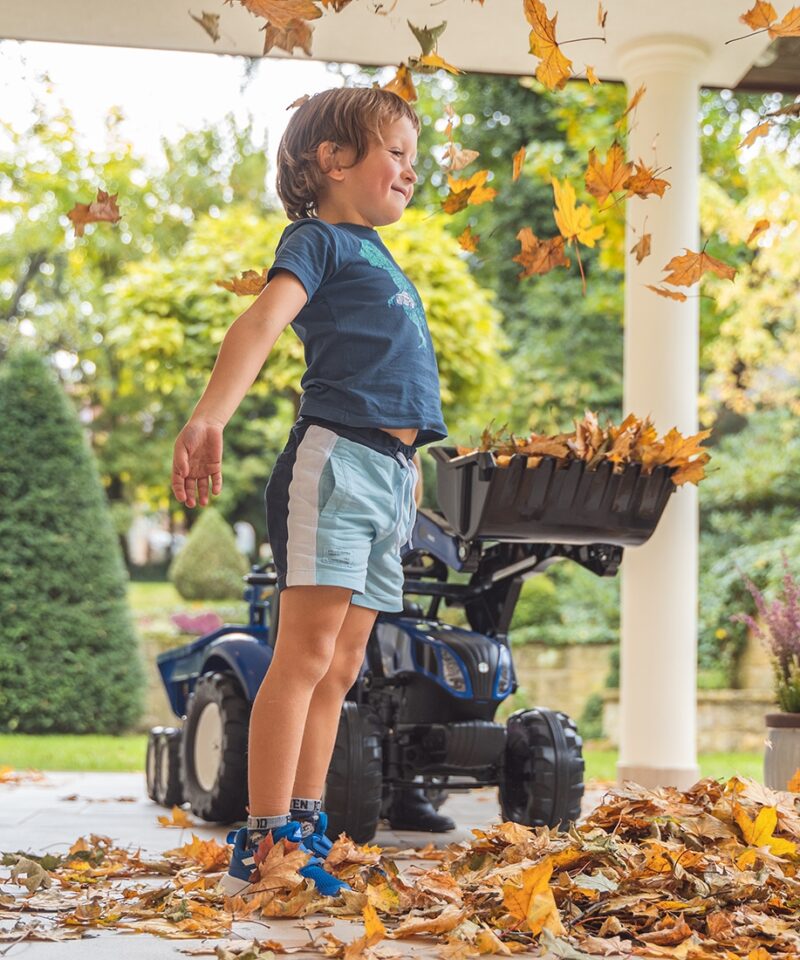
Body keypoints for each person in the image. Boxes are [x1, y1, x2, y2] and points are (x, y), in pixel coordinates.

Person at [171, 86, 449, 898]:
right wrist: (208, 418)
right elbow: (258, 323)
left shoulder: (380, 255)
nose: (409, 169)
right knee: (302, 658)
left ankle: (304, 828)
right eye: (393, 152)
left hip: (386, 477)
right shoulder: (318, 241)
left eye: (413, 157)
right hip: (335, 465)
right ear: (332, 160)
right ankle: (262, 845)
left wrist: (411, 468)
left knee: (342, 667)